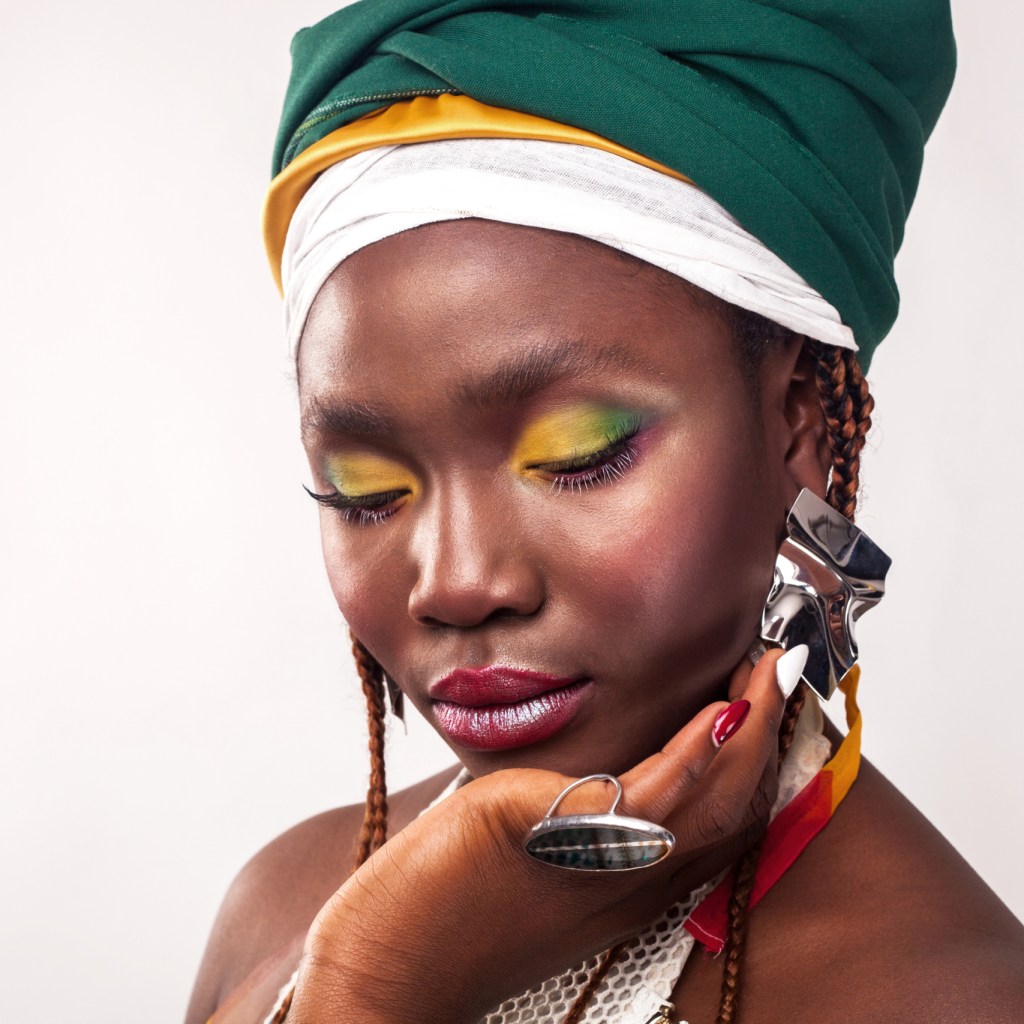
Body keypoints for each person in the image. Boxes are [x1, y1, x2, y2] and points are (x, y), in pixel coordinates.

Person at [185, 2, 1024, 1022]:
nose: (454, 581)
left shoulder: (947, 996)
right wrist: (378, 972)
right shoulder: (283, 898)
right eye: (363, 490)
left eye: (576, 458)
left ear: (801, 420)